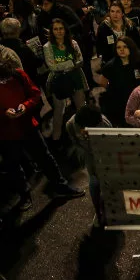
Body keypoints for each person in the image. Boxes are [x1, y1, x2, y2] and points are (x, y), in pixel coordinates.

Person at [0, 51, 85, 211]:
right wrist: (4, 112)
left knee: (44, 157)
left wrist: (25, 105)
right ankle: (24, 195)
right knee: (14, 165)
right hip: (5, 132)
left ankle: (60, 187)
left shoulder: (17, 74)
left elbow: (35, 94)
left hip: (26, 126)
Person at [66, 104, 113, 226]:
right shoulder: (71, 124)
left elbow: (112, 143)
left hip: (105, 154)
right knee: (94, 182)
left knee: (107, 182)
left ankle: (108, 206)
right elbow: (74, 141)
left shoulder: (104, 123)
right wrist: (82, 152)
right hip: (89, 156)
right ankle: (98, 211)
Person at [44, 18, 88, 142]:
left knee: (81, 109)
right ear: (52, 31)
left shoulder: (73, 43)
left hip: (75, 78)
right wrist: (71, 64)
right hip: (58, 80)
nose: (59, 31)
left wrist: (65, 65)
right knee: (58, 110)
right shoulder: (48, 47)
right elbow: (52, 66)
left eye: (61, 28)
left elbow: (81, 61)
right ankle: (56, 138)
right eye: (56, 29)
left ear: (65, 30)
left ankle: (83, 136)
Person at [98, 36, 140, 127]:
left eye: (125, 47)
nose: (122, 50)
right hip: (118, 102)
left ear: (131, 48)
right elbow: (102, 82)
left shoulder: (139, 63)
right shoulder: (110, 65)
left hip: (136, 101)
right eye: (119, 47)